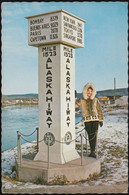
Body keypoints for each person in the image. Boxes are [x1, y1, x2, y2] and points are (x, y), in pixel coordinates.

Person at [75, 83, 103, 158]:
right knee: (90, 135)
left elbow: (99, 110)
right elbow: (75, 105)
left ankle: (93, 151)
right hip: (87, 121)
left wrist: (101, 120)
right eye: (88, 91)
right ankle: (92, 151)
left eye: (90, 91)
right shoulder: (82, 100)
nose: (89, 93)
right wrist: (74, 98)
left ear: (92, 92)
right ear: (85, 92)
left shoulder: (96, 100)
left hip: (95, 120)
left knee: (94, 135)